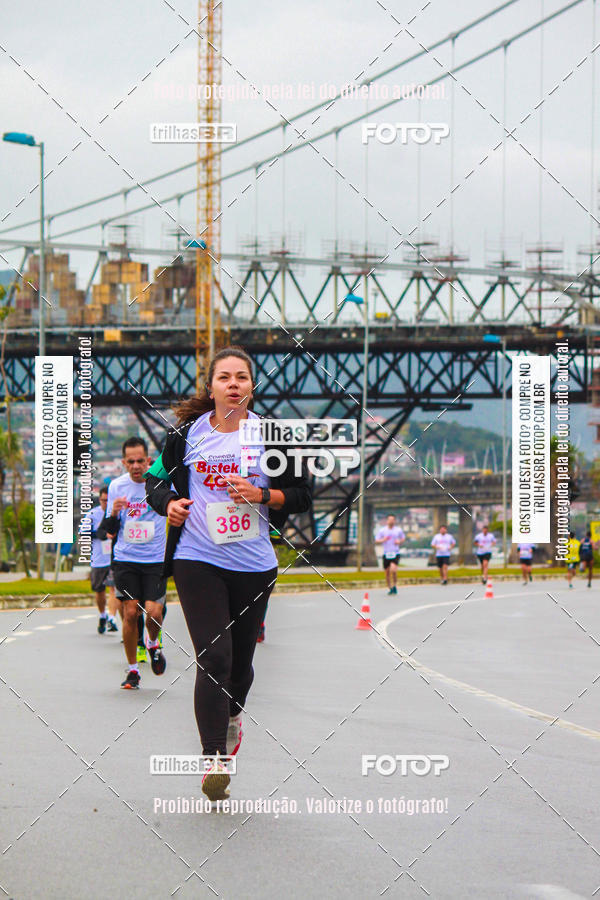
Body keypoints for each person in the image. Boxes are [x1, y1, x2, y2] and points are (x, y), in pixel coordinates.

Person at [145, 345, 312, 802]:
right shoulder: (186, 434)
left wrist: (263, 495)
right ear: (212, 386)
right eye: (224, 377)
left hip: (254, 565)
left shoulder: (270, 437)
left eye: (241, 377)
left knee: (239, 668)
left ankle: (234, 715)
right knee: (213, 658)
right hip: (197, 558)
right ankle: (214, 758)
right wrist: (169, 503)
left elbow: (302, 494)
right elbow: (155, 481)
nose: (233, 384)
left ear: (251, 386)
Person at [101, 437, 169, 689]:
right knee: (130, 612)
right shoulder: (117, 486)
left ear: (148, 460)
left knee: (154, 612)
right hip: (126, 560)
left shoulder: (160, 484)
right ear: (124, 463)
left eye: (141, 460)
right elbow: (108, 529)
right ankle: (132, 671)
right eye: (131, 462)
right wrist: (114, 512)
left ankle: (152, 642)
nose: (136, 466)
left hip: (155, 560)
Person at [89, 487, 118, 634]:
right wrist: (102, 535)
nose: (106, 503)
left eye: (109, 500)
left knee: (113, 588)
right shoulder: (92, 514)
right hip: (98, 558)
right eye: (103, 500)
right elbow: (83, 533)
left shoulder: (117, 513)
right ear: (99, 500)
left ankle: (112, 618)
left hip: (114, 558)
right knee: (99, 590)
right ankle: (102, 615)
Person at [375, 514, 405, 594]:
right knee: (387, 573)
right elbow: (377, 540)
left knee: (393, 570)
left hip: (395, 553)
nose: (391, 521)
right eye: (389, 520)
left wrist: (399, 541)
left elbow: (403, 538)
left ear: (394, 521)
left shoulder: (398, 530)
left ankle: (394, 585)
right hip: (386, 553)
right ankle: (390, 587)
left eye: (392, 520)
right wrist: (383, 540)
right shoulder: (382, 530)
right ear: (387, 521)